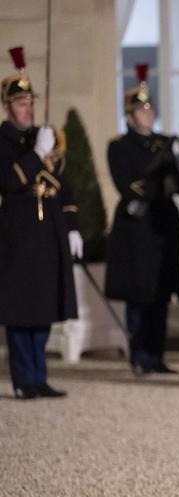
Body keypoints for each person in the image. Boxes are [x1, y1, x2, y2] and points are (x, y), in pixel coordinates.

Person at [0, 46, 80, 400]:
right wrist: (35, 155)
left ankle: (39, 376)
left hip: (48, 236)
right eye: (20, 103)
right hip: (17, 236)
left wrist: (73, 225)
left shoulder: (44, 138)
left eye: (30, 102)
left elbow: (67, 184)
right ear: (7, 107)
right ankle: (22, 379)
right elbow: (9, 180)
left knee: (44, 306)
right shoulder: (4, 141)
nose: (28, 108)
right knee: (20, 310)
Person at [105, 63, 179, 375]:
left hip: (163, 223)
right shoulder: (119, 146)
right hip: (137, 228)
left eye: (150, 109)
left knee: (160, 292)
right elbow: (129, 185)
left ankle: (156, 354)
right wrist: (157, 179)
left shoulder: (165, 142)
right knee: (139, 294)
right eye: (142, 111)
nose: (148, 115)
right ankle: (139, 354)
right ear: (129, 116)